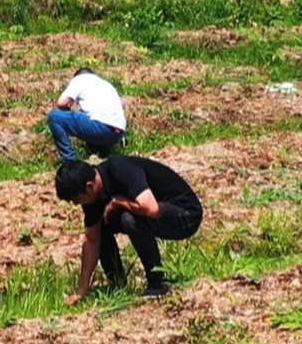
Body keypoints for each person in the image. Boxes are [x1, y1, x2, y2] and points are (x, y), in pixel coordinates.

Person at [55, 155, 202, 303]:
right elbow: (92, 241)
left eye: (76, 199)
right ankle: (118, 285)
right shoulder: (93, 198)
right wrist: (82, 289)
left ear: (89, 187)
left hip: (186, 214)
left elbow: (151, 209)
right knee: (102, 224)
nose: (76, 204)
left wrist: (121, 202)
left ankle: (157, 282)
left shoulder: (120, 170)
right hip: (155, 213)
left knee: (129, 219)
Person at [47, 68, 128, 162]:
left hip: (100, 126)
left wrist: (68, 114)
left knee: (55, 117)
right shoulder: (106, 84)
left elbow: (61, 103)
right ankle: (102, 154)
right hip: (117, 133)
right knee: (86, 116)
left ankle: (70, 161)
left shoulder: (79, 80)